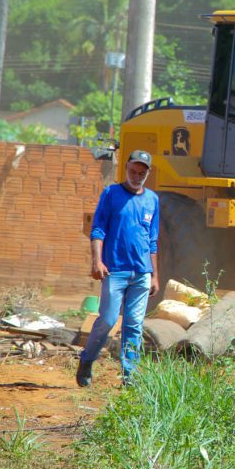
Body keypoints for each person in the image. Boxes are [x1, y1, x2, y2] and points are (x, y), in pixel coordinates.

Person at [77, 149, 160, 388]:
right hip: (115, 271)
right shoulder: (111, 193)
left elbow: (152, 240)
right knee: (108, 319)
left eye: (141, 173)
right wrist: (97, 261)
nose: (136, 176)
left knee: (134, 325)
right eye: (133, 171)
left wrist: (155, 275)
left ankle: (129, 376)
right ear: (126, 168)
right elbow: (98, 230)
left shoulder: (152, 200)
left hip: (142, 273)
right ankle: (87, 359)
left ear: (148, 173)